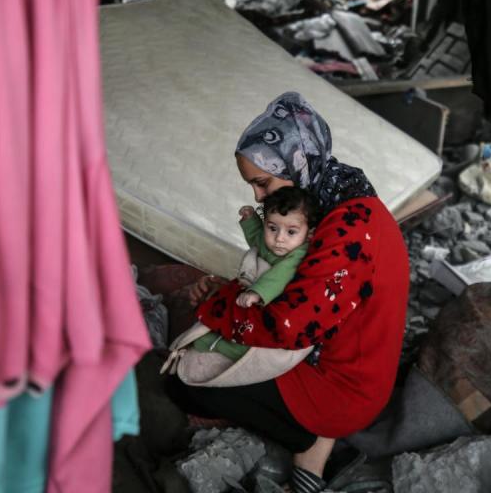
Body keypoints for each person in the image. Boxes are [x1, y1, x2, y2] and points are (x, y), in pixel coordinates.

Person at [167, 92, 410, 493]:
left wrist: (217, 309)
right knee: (209, 344)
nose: (258, 198)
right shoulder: (338, 199)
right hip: (336, 363)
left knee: (182, 383)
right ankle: (310, 451)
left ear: (297, 163)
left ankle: (311, 440)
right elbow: (294, 283)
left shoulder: (350, 227)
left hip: (341, 388)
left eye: (262, 183)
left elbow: (288, 327)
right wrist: (232, 296)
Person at [187, 186, 320, 370]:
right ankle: (212, 329)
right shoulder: (270, 242)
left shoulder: (298, 253)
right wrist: (250, 220)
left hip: (267, 300)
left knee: (250, 332)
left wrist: (257, 293)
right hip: (247, 290)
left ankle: (225, 347)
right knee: (221, 309)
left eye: (291, 232)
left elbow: (281, 275)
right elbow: (257, 238)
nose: (279, 238)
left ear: (309, 234)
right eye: (272, 228)